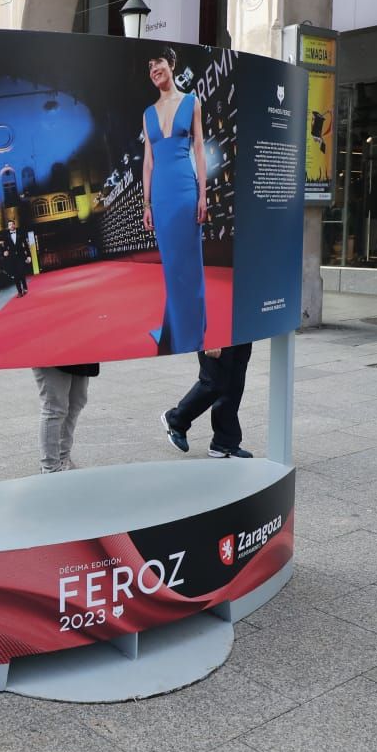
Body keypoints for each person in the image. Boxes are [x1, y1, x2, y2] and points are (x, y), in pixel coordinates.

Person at [141, 47, 207, 353]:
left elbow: (199, 150)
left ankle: (191, 334)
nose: (155, 69)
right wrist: (146, 203)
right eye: (151, 66)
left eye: (159, 63)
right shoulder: (148, 113)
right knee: (171, 266)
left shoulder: (192, 102)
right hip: (162, 195)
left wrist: (203, 194)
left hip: (185, 188)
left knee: (189, 263)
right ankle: (176, 328)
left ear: (172, 65)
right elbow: (148, 162)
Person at [162, 343, 255, 459]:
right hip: (218, 331)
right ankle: (176, 420)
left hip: (243, 331)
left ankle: (224, 443)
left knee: (234, 384)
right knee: (213, 383)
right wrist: (212, 339)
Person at [34, 364, 97, 472]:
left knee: (76, 401)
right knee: (54, 407)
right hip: (49, 351)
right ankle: (50, 468)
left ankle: (63, 458)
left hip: (79, 351)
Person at [3, 219, 29, 296]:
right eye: (9, 225)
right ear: (8, 227)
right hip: (12, 258)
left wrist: (28, 256)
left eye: (12, 224)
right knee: (15, 275)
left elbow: (26, 245)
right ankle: (19, 291)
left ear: (14, 225)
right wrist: (5, 252)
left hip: (20, 256)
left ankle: (24, 287)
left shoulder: (20, 234)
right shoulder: (6, 236)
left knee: (21, 272)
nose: (11, 226)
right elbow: (4, 247)